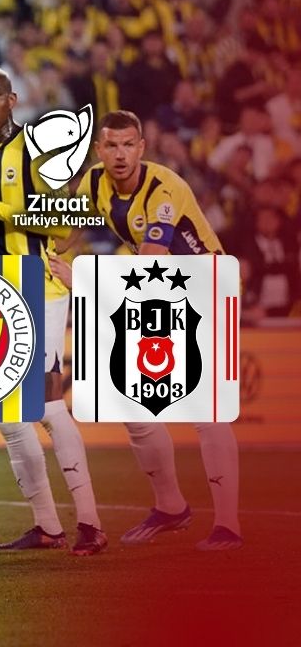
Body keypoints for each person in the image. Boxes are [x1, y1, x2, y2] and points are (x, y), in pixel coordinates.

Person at [0, 66, 108, 556]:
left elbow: (67, 221)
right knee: (9, 414)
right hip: (0, 292)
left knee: (46, 403)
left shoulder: (37, 150)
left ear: (13, 100)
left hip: (39, 288)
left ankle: (90, 523)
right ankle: (47, 526)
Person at [74, 109, 242, 551]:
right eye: (112, 145)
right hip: (159, 293)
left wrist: (84, 280)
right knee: (131, 404)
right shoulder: (92, 183)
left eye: (129, 145)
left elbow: (151, 259)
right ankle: (170, 507)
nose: (120, 154)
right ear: (99, 150)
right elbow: (66, 231)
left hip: (206, 290)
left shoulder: (163, 188)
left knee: (206, 411)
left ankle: (228, 525)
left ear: (142, 148)